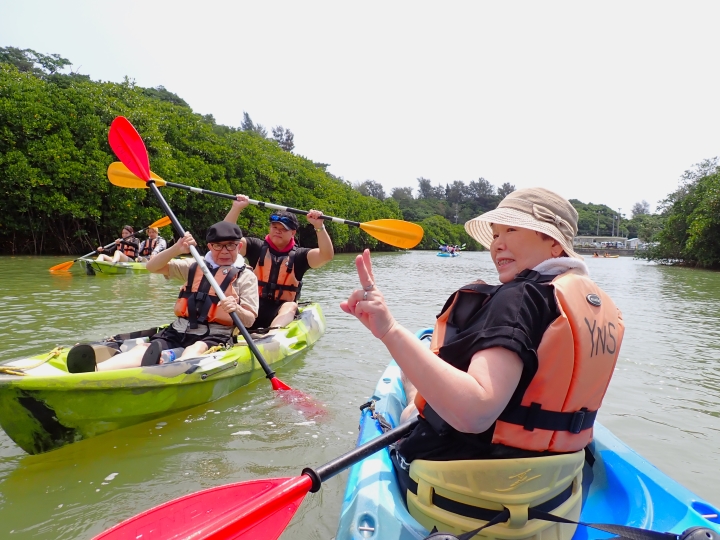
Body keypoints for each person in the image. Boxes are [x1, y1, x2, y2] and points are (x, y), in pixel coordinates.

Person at [340, 187, 624, 535]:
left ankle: (412, 388)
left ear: (554, 243)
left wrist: (389, 330)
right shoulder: (599, 306)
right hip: (554, 501)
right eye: (495, 234)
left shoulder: (519, 296)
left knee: (412, 393)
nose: (497, 244)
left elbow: (475, 412)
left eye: (511, 230)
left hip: (462, 501)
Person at [69, 222, 259, 372]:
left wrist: (236, 308)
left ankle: (169, 371)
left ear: (239, 246)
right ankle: (95, 370)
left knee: (195, 349)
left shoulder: (246, 276)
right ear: (210, 246)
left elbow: (249, 320)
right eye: (218, 246)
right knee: (143, 349)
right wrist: (177, 248)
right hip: (179, 330)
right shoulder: (194, 266)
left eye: (231, 245)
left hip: (215, 335)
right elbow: (151, 267)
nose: (224, 251)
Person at [224, 195, 334, 331]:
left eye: (283, 229)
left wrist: (319, 226)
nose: (278, 231)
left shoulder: (299, 256)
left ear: (293, 232)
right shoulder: (256, 247)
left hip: (280, 310)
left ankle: (273, 334)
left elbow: (326, 255)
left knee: (291, 306)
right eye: (274, 226)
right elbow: (226, 239)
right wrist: (236, 208)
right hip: (252, 306)